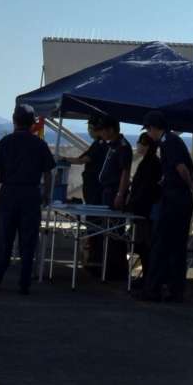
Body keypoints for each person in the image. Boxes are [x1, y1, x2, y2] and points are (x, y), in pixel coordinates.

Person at [0, 105, 55, 293]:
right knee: (28, 240)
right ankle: (24, 283)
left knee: (2, 239)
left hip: (8, 194)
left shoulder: (5, 142)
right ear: (33, 123)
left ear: (14, 121)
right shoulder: (40, 144)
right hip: (31, 194)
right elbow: (48, 173)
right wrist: (46, 194)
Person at [141, 112, 193, 301]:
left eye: (148, 129)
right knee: (176, 245)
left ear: (153, 128)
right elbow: (190, 167)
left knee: (161, 243)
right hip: (181, 198)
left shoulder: (168, 142)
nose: (148, 133)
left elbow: (181, 168)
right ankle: (175, 290)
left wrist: (189, 186)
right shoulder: (174, 141)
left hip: (175, 198)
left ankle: (153, 289)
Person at [78, 114, 132, 277]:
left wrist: (120, 194)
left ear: (111, 130)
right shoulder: (111, 145)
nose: (100, 133)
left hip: (114, 192)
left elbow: (125, 172)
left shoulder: (122, 147)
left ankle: (116, 269)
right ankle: (105, 265)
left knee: (115, 231)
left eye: (102, 130)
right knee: (105, 230)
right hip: (106, 191)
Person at [125, 130, 162, 288]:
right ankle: (147, 277)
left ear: (146, 146)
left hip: (144, 210)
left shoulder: (150, 163)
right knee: (143, 245)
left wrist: (132, 204)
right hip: (144, 209)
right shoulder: (151, 161)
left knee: (144, 245)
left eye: (140, 143)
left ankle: (148, 279)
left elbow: (145, 188)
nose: (138, 146)